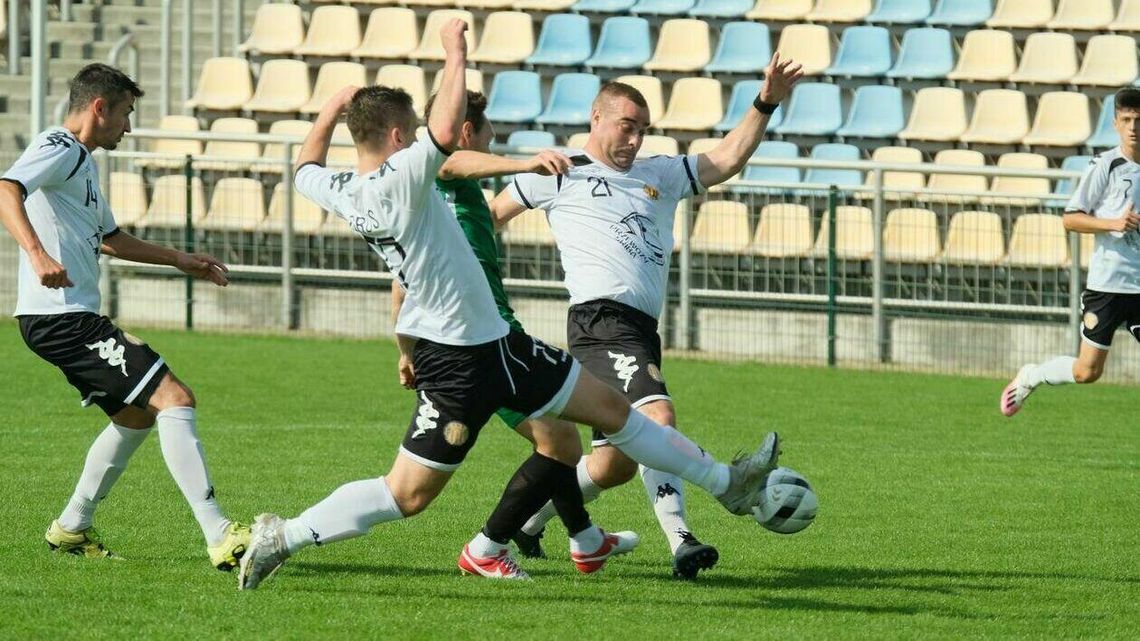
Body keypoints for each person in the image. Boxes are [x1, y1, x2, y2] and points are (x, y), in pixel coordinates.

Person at [238, 21, 779, 590]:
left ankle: (725, 483)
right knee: (407, 493)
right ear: (400, 136)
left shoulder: (344, 187)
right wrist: (456, 53)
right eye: (414, 131)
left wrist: (329, 111)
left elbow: (304, 169)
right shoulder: (403, 178)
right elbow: (448, 140)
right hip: (460, 360)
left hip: (500, 343)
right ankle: (287, 535)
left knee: (615, 416)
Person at [466, 52, 803, 579]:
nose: (636, 139)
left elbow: (729, 158)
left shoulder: (659, 174)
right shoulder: (557, 172)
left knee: (614, 464)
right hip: (600, 322)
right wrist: (464, 283)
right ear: (596, 119)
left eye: (644, 129)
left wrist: (766, 101)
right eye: (627, 125)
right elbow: (483, 221)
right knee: (656, 418)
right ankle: (683, 541)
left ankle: (531, 519)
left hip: (640, 328)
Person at [0, 63, 249, 570]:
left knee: (136, 416)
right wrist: (37, 254)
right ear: (99, 108)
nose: (128, 127)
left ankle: (72, 526)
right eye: (126, 114)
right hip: (62, 318)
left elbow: (111, 239)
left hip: (66, 317)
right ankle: (221, 535)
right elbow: (6, 189)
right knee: (174, 398)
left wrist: (182, 260)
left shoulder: (83, 164)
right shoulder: (59, 146)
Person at [391, 89, 637, 579]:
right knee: (560, 441)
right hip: (480, 344)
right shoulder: (443, 183)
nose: (489, 142)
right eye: (487, 136)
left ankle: (586, 539)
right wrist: (523, 163)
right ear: (466, 134)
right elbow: (452, 163)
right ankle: (488, 546)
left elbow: (401, 282)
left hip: (486, 334)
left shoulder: (424, 200)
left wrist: (404, 349)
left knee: (559, 439)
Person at [1002, 87, 1140, 416]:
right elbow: (1069, 219)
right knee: (1087, 372)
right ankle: (1031, 376)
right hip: (1108, 286)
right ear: (1116, 124)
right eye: (1127, 120)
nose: (1134, 127)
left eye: (1139, 120)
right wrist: (1112, 224)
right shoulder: (1105, 166)